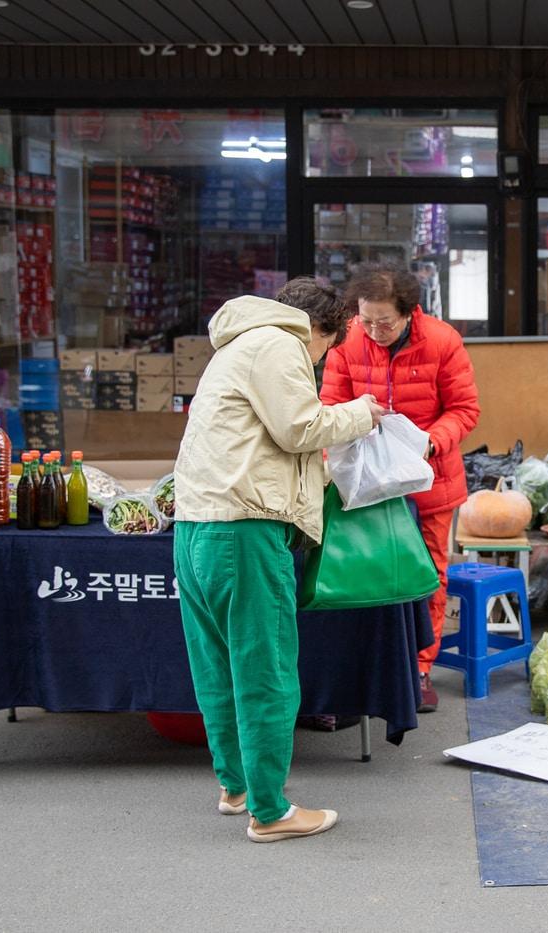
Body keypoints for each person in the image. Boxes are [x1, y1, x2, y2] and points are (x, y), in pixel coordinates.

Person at [173, 279, 385, 843]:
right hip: (244, 529)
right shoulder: (280, 343)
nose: (321, 360)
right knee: (265, 670)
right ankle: (270, 812)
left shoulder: (237, 343)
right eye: (329, 348)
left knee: (218, 666)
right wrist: (362, 413)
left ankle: (237, 786)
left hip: (198, 524)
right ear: (323, 330)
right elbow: (301, 427)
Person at [320, 261, 481, 715]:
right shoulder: (349, 338)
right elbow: (330, 403)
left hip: (430, 477)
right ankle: (361, 666)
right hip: (365, 481)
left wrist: (432, 441)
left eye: (384, 322)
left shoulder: (443, 341)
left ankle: (419, 667)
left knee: (426, 572)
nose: (373, 330)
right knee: (360, 570)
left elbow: (465, 409)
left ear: (410, 312)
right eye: (366, 320)